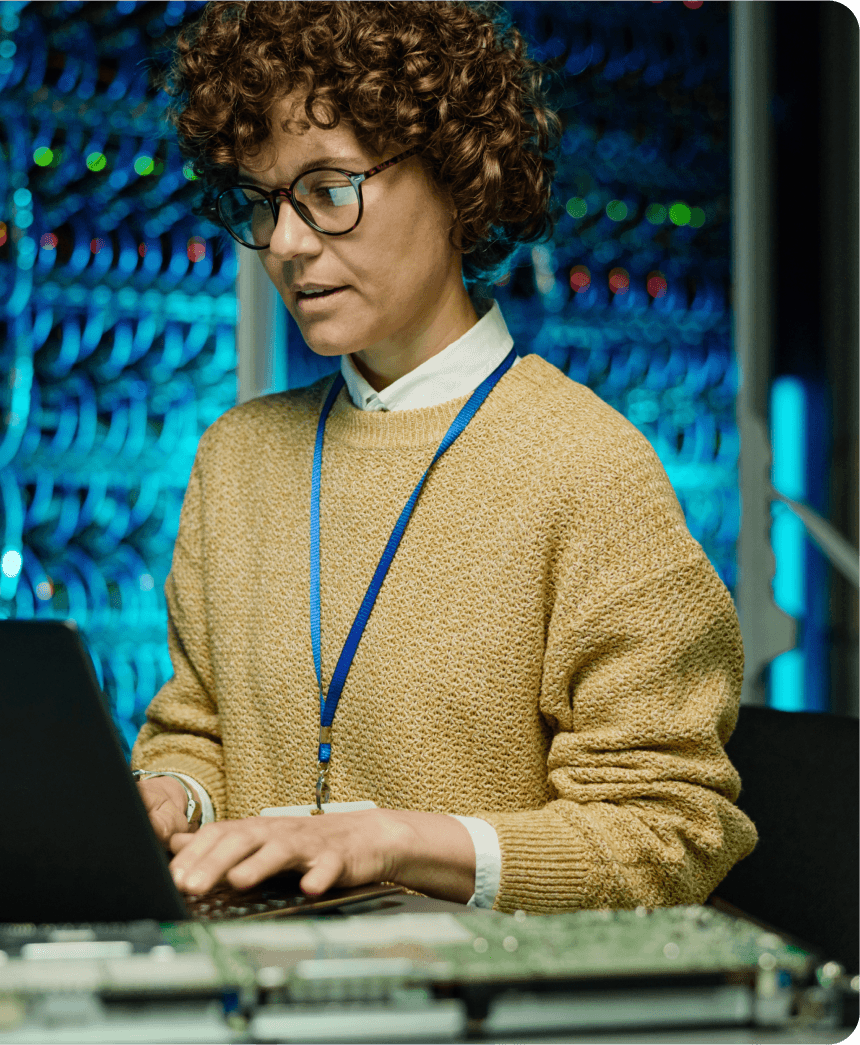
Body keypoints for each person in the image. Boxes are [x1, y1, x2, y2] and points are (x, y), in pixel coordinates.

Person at [130, 0, 758, 913]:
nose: (289, 245)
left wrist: (395, 840)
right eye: (259, 203)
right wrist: (171, 793)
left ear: (460, 179)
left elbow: (668, 832)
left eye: (327, 189)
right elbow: (199, 730)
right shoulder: (236, 459)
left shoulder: (589, 469)